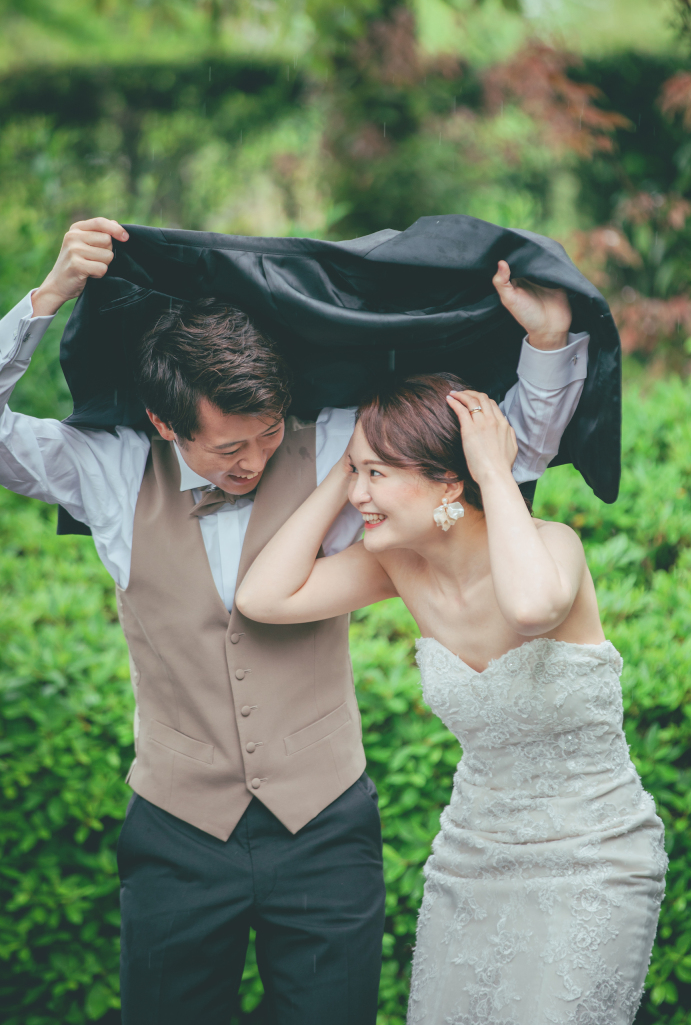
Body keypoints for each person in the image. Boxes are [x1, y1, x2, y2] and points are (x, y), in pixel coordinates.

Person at [0, 217, 590, 1025]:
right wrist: (47, 298)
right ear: (166, 422)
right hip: (176, 834)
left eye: (269, 432)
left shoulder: (338, 446)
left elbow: (500, 458)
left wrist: (549, 344)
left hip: (326, 828)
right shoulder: (107, 469)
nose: (254, 459)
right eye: (230, 447)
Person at [235, 376, 668, 1025]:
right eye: (357, 473)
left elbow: (529, 608)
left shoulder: (554, 548)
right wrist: (346, 471)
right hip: (472, 862)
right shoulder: (396, 567)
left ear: (447, 482)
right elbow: (261, 599)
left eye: (378, 474)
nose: (359, 495)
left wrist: (494, 471)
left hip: (595, 860)